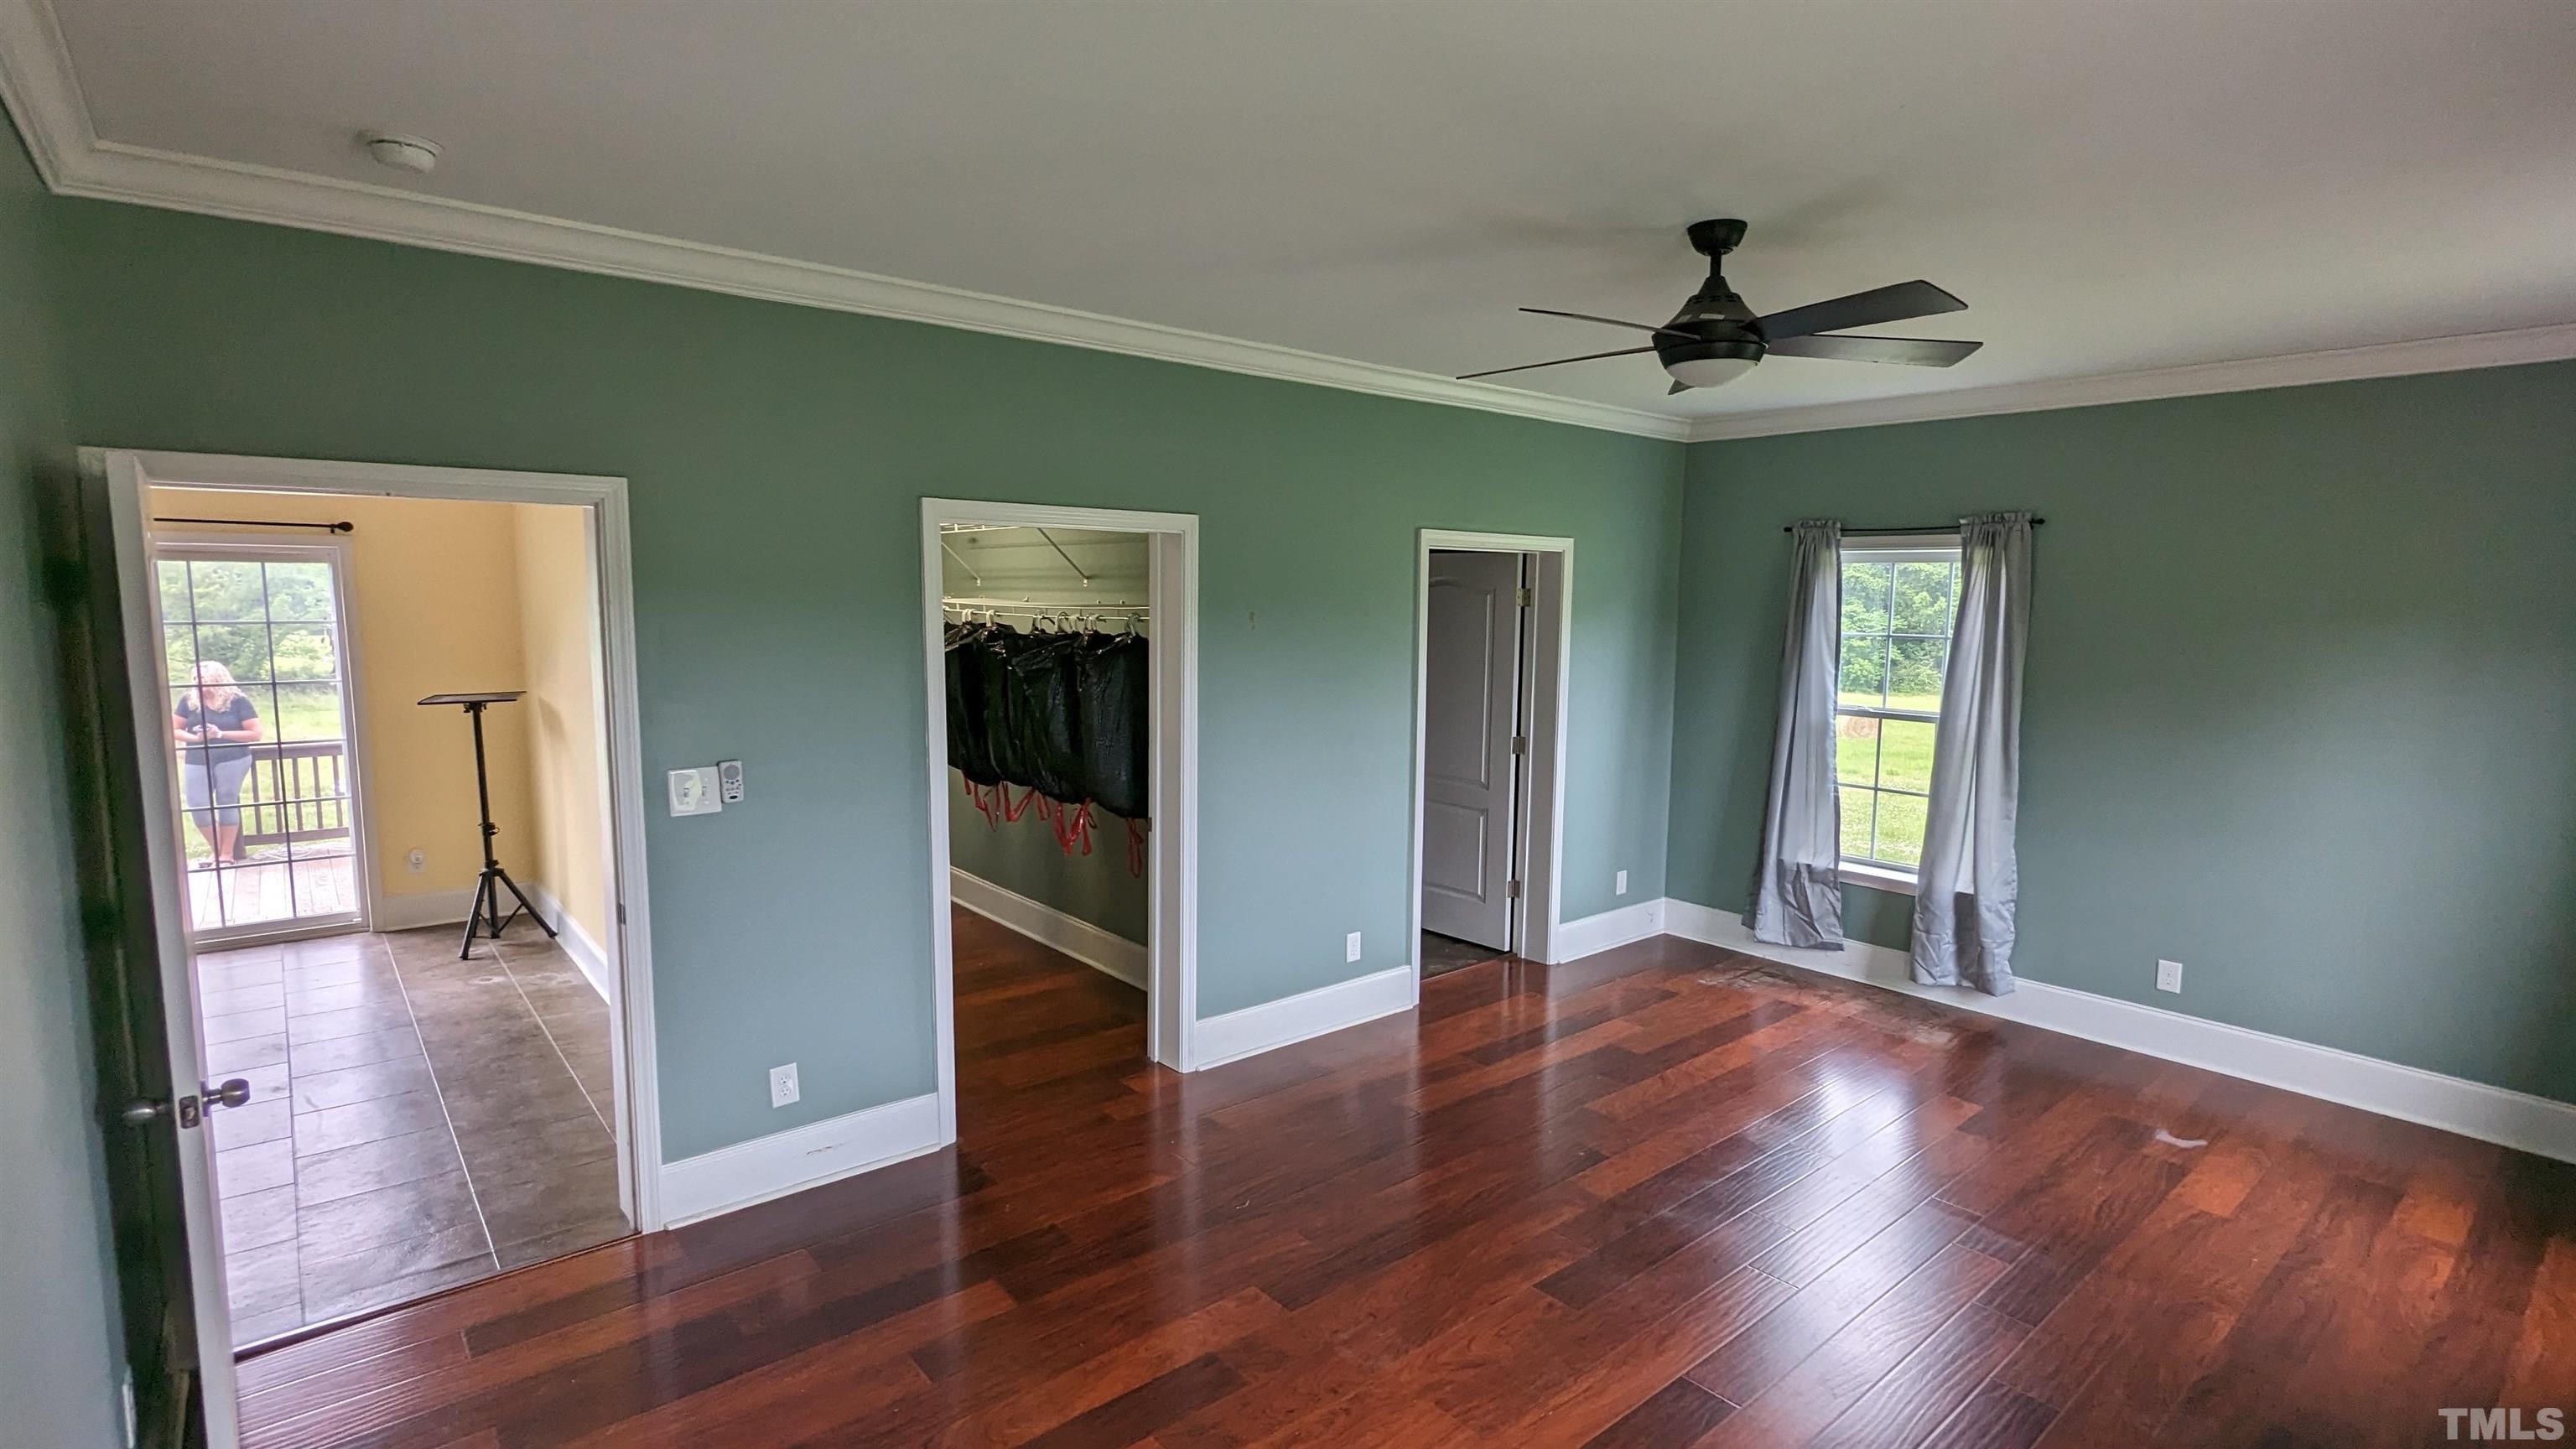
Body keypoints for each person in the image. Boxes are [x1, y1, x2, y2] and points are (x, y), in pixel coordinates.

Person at [174, 661, 264, 865]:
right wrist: (196, 738)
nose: (197, 683)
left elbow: (255, 733)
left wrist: (220, 733)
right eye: (194, 679)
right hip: (197, 758)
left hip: (233, 757)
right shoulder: (188, 701)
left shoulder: (238, 701)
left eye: (202, 678)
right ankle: (217, 849)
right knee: (197, 805)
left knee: (227, 801)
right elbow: (173, 728)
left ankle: (225, 855)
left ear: (217, 678)